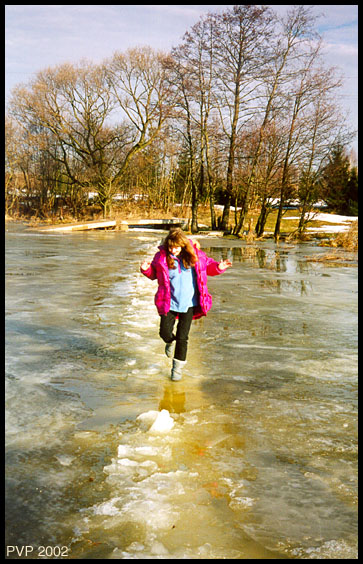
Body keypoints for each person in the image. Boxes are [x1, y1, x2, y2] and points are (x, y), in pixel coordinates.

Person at [140, 228, 232, 381]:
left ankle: (177, 370)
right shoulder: (161, 258)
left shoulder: (195, 256)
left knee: (183, 337)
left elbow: (208, 267)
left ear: (182, 245)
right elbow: (154, 274)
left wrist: (218, 267)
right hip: (169, 302)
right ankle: (169, 342)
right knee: (164, 332)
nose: (173, 250)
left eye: (176, 247)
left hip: (190, 303)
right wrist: (146, 269)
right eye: (170, 247)